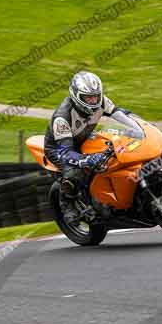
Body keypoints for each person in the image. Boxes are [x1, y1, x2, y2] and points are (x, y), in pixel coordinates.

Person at [44, 71, 142, 223]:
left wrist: (139, 126)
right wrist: (86, 160)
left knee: (113, 156)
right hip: (60, 148)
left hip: (84, 138)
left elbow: (118, 113)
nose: (93, 100)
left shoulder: (101, 101)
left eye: (95, 96)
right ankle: (67, 203)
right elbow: (65, 152)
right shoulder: (62, 117)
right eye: (88, 97)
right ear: (76, 96)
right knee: (75, 172)